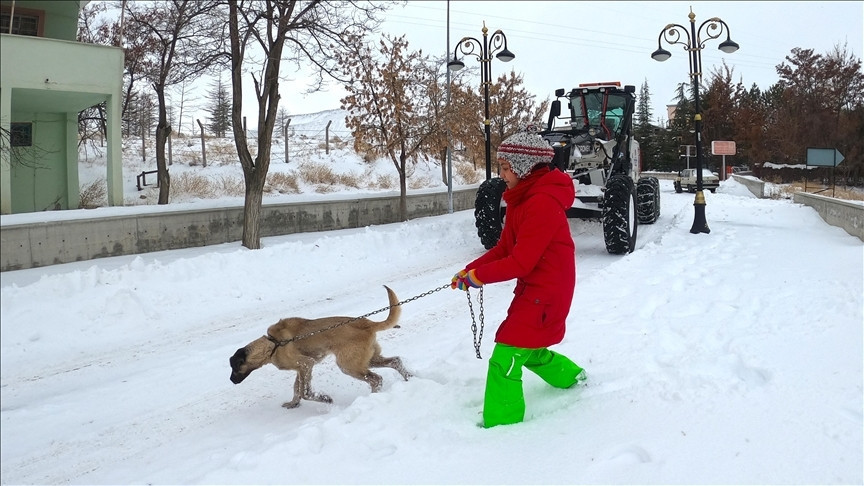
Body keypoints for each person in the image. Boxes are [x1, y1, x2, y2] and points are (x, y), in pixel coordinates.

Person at [451, 124, 585, 428]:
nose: (503, 175)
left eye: (507, 167)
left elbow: (520, 262)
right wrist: (470, 270)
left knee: (506, 354)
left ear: (524, 167)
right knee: (530, 348)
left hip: (548, 290)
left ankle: (503, 426)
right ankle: (575, 378)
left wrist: (479, 277)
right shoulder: (520, 198)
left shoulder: (541, 203)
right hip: (536, 288)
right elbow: (504, 248)